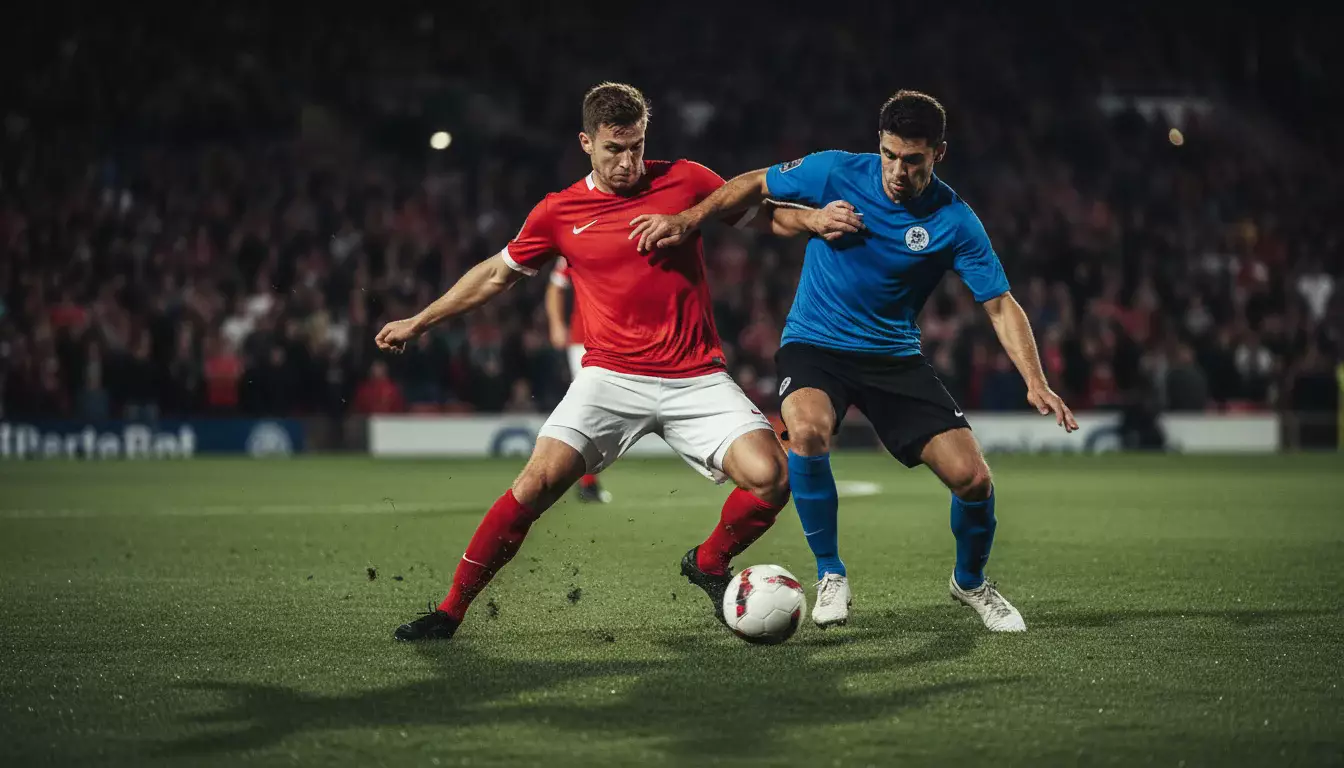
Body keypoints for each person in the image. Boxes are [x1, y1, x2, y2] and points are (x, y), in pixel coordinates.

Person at [376, 82, 846, 642]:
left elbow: (762, 215)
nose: (627, 163)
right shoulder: (558, 212)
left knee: (773, 478)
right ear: (586, 143)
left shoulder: (687, 180)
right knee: (536, 483)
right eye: (613, 150)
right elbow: (496, 273)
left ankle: (709, 563)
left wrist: (813, 220)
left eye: (637, 148)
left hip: (695, 376)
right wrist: (418, 321)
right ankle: (449, 612)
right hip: (609, 379)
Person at [629, 90, 1078, 633]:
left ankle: (972, 582)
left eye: (913, 160)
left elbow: (1000, 304)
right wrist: (689, 219)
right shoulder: (836, 171)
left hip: (893, 358)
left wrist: (1036, 380)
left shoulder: (955, 220)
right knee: (808, 432)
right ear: (878, 145)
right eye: (889, 155)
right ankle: (830, 574)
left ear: (939, 154)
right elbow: (751, 184)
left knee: (974, 480)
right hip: (816, 345)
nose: (897, 170)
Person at [544, 258, 611, 503]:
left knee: (598, 411)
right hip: (584, 341)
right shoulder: (575, 241)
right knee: (590, 409)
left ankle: (583, 480)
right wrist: (556, 324)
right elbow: (555, 286)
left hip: (620, 339)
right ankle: (584, 482)